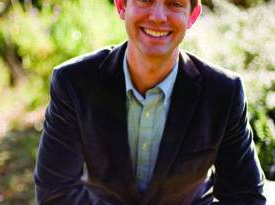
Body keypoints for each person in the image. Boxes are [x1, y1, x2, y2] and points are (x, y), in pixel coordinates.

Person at [34, 0, 267, 204]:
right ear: (121, 5)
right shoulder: (74, 82)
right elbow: (57, 193)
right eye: (145, 0)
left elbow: (245, 196)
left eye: (174, 3)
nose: (157, 16)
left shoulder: (223, 93)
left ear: (192, 16)